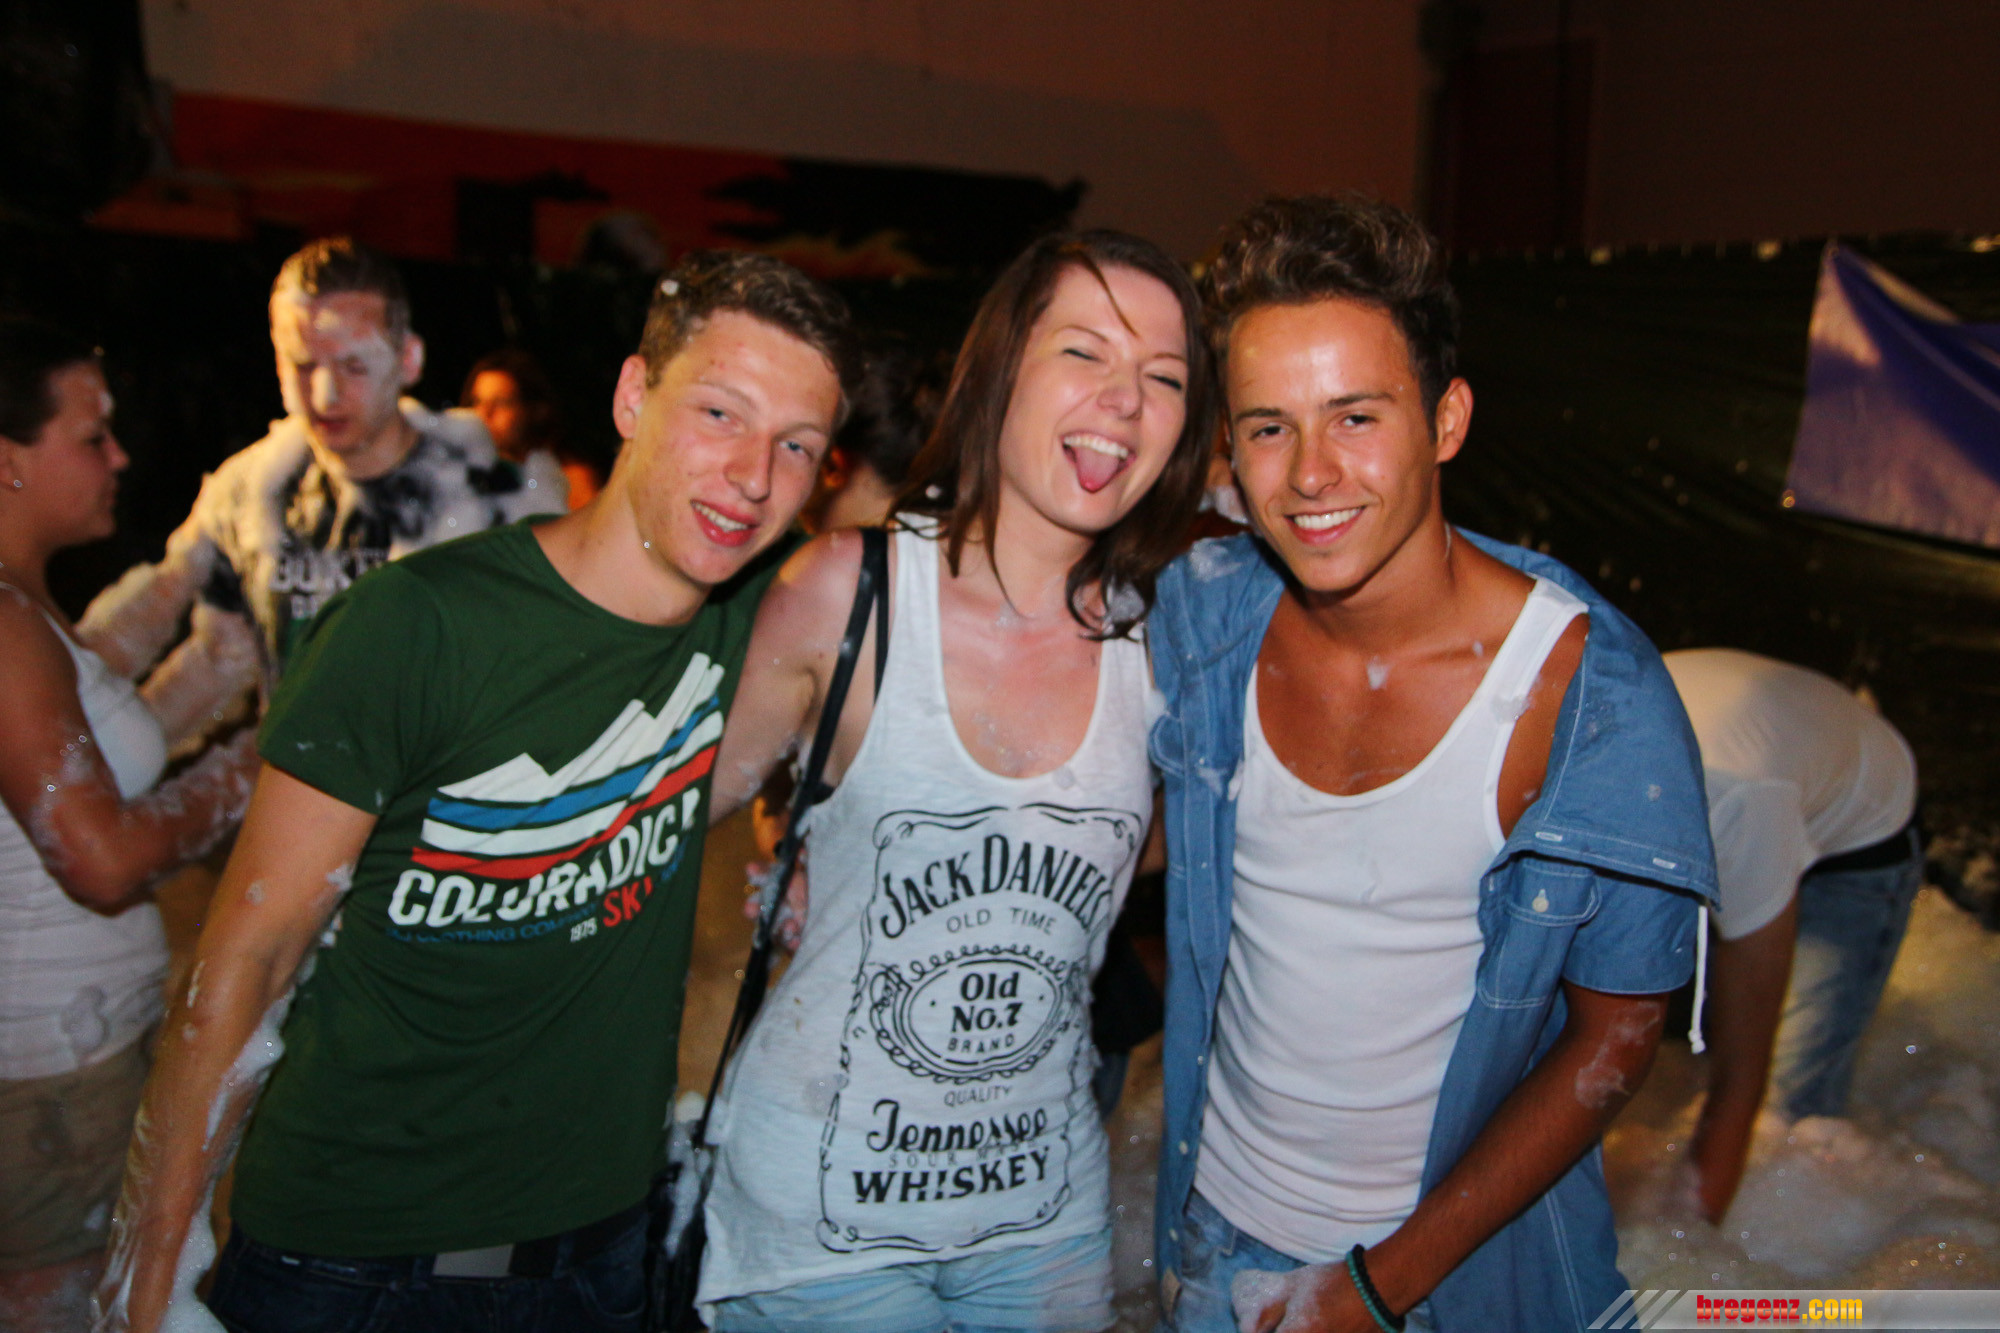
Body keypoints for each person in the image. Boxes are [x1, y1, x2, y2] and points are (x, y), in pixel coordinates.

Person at [95, 251, 861, 1333]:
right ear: (633, 397)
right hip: (352, 1265)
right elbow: (244, 958)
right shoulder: (418, 624)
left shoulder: (764, 613)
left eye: (797, 445)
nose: (752, 475)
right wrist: (147, 1286)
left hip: (598, 1259)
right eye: (720, 413)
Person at [1147, 196, 1717, 1333]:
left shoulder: (1586, 698)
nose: (1311, 474)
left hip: (1447, 1277)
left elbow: (1618, 1033)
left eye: (1354, 416)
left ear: (1445, 420)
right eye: (1268, 427)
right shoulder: (1205, 618)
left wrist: (1377, 1287)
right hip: (1207, 1232)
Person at [696, 230, 1218, 1333]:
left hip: (1044, 1217)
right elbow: (671, 811)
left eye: (1164, 378)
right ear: (1001, 368)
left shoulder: (1166, 641)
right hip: (819, 1215)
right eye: (1085, 352)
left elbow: (1160, 843)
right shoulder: (848, 591)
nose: (1125, 400)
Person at [0, 320, 257, 1332]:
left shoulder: (27, 609)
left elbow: (100, 724)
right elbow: (100, 859)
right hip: (53, 1089)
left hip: (62, 1072)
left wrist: (212, 627)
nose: (119, 458)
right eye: (91, 436)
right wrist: (258, 764)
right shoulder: (4, 625)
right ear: (7, 459)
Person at [77, 237, 566, 735]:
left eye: (354, 366)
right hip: (293, 773)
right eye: (303, 365)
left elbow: (547, 676)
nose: (325, 395)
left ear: (408, 360)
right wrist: (108, 754)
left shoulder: (493, 498)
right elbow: (218, 656)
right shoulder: (252, 490)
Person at [1663, 647, 1922, 1223]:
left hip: (1858, 827)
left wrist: (1682, 1245)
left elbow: (1742, 1080)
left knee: (1787, 1115)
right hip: (1766, 731)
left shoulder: (1738, 811)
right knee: (1659, 1034)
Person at [462, 348, 602, 510]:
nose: (484, 414)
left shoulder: (570, 481)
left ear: (537, 410)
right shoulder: (466, 478)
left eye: (501, 402)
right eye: (477, 402)